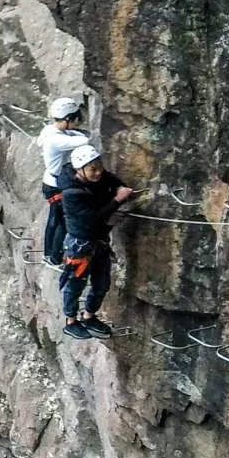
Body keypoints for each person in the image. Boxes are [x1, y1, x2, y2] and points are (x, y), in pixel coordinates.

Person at [57, 144, 135, 339]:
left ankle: (89, 315)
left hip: (98, 240)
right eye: (93, 169)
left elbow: (110, 178)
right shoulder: (71, 193)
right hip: (80, 244)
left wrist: (120, 188)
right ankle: (71, 321)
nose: (98, 172)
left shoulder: (97, 175)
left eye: (99, 166)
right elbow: (92, 218)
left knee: (102, 283)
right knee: (75, 283)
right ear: (79, 170)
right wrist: (117, 200)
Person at [38, 97, 92, 266]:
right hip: (56, 186)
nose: (78, 123)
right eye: (76, 120)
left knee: (55, 219)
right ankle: (54, 257)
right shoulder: (56, 140)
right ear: (68, 119)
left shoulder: (50, 131)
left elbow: (72, 134)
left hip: (51, 182)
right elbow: (84, 140)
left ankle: (49, 254)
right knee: (61, 221)